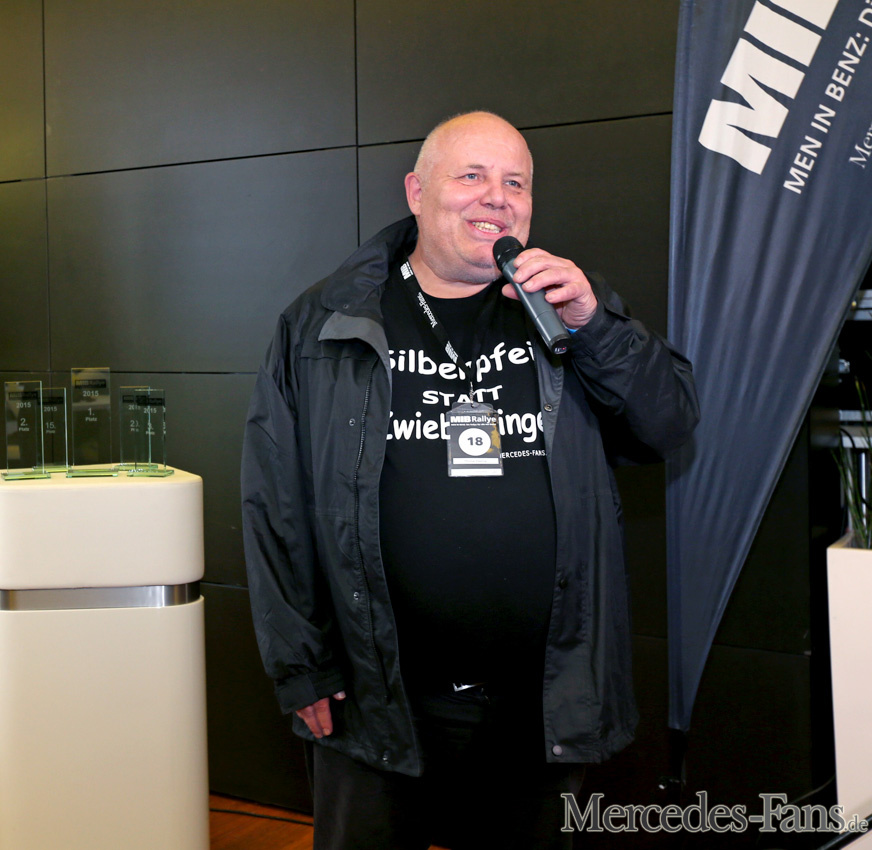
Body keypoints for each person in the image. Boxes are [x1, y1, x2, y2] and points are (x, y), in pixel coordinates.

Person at [240, 112, 698, 850]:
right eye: (472, 176)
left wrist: (597, 329)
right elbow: (274, 504)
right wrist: (300, 664)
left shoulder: (564, 308)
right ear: (417, 192)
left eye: (516, 182)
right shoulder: (323, 325)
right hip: (376, 698)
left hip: (539, 705)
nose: (497, 197)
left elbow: (669, 423)